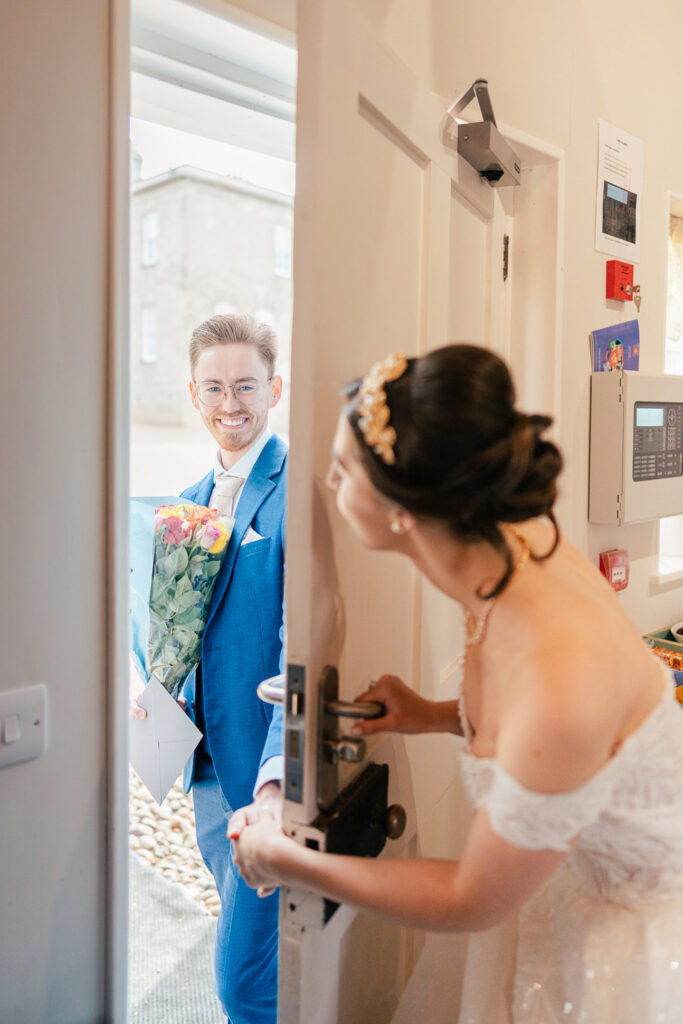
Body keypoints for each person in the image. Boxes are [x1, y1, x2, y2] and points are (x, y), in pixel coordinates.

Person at [229, 344, 683, 1023]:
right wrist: (434, 714)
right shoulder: (513, 543)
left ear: (399, 510)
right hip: (563, 880)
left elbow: (470, 898)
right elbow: (568, 745)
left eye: (343, 470)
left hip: (631, 944)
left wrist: (285, 862)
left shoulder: (560, 681)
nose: (324, 481)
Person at [137, 313, 286, 1024]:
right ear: (193, 396)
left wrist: (277, 773)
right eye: (215, 388)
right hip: (201, 763)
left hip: (260, 765)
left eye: (247, 386)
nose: (232, 404)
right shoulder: (188, 500)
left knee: (241, 985)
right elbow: (171, 628)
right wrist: (154, 693)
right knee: (262, 953)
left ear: (275, 388)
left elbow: (301, 645)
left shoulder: (296, 490)